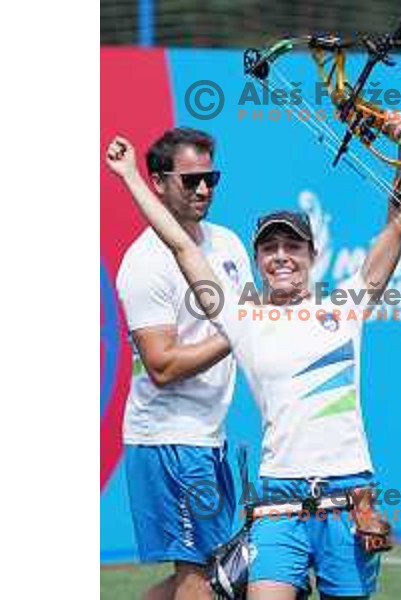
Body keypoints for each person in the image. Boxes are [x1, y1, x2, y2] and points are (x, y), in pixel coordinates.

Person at [106, 122, 401, 599]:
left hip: (349, 497)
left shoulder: (346, 306)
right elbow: (181, 245)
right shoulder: (241, 316)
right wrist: (129, 176)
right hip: (278, 504)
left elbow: (398, 224)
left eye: (292, 246)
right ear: (257, 260)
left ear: (313, 254)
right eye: (269, 248)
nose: (281, 256)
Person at [113, 128, 254, 600]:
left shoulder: (229, 244)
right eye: (190, 180)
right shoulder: (144, 262)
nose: (203, 189)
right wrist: (238, 332)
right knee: (201, 581)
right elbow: (162, 366)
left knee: (197, 578)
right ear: (157, 183)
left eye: (211, 178)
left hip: (208, 436)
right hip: (168, 439)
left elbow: (253, 335)